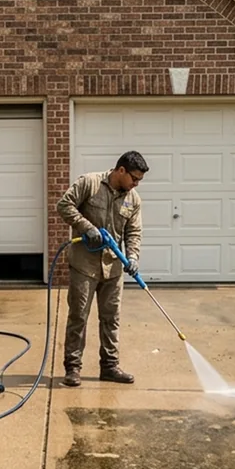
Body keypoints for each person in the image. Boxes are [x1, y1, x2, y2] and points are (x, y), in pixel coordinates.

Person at [56, 150, 148, 388]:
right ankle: (73, 368)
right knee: (78, 316)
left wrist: (133, 257)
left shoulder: (133, 199)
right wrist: (86, 227)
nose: (136, 184)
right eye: (134, 178)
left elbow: (133, 232)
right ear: (121, 171)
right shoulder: (90, 183)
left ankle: (109, 367)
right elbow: (64, 205)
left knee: (111, 318)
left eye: (139, 180)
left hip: (114, 268)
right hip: (84, 265)